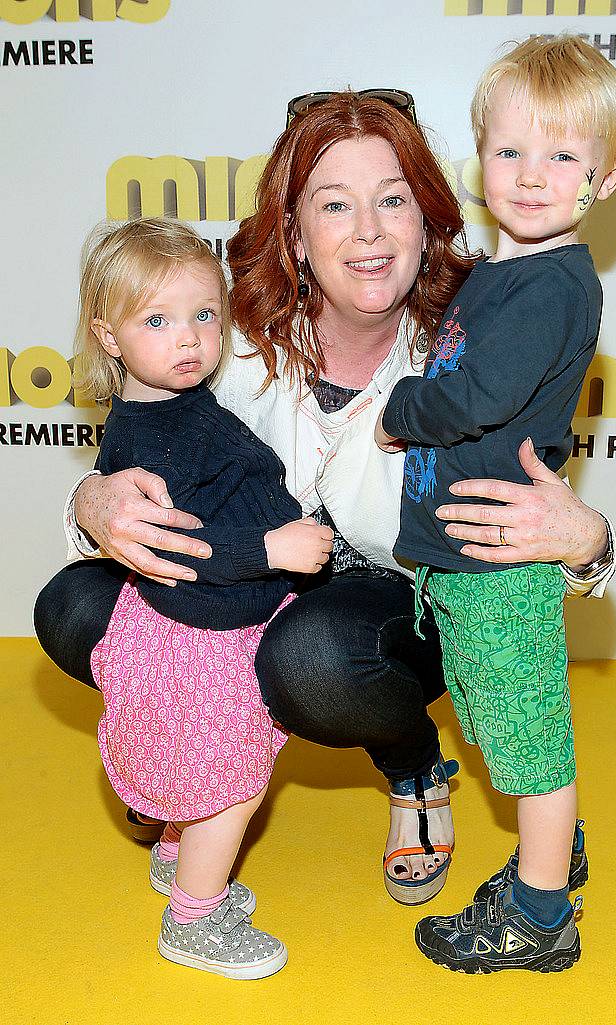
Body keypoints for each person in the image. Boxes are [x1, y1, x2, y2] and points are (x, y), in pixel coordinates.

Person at [34, 90, 616, 912]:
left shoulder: (483, 341)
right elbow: (136, 440)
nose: (369, 231)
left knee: (312, 656)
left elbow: (537, 505)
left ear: (430, 219)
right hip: (241, 583)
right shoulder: (218, 333)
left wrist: (587, 538)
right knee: (73, 603)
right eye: (333, 205)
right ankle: (185, 753)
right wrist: (92, 499)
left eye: (393, 200)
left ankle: (413, 767)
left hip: (392, 609)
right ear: (295, 233)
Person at [376, 37, 616, 971]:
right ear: (479, 156)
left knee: (530, 745)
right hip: (463, 561)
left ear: (604, 179)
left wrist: (398, 412)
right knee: (498, 722)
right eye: (509, 152)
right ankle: (549, 855)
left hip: (500, 566)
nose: (530, 177)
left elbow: (474, 397)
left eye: (561, 156)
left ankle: (536, 916)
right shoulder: (499, 275)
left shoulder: (551, 285)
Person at [70, 217, 333, 979]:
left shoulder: (172, 407)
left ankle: (177, 851)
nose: (187, 338)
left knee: (205, 759)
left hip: (224, 621)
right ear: (108, 336)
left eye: (203, 315)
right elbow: (177, 548)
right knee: (230, 782)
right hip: (199, 633)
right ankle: (192, 916)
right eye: (156, 320)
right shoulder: (152, 440)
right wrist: (270, 550)